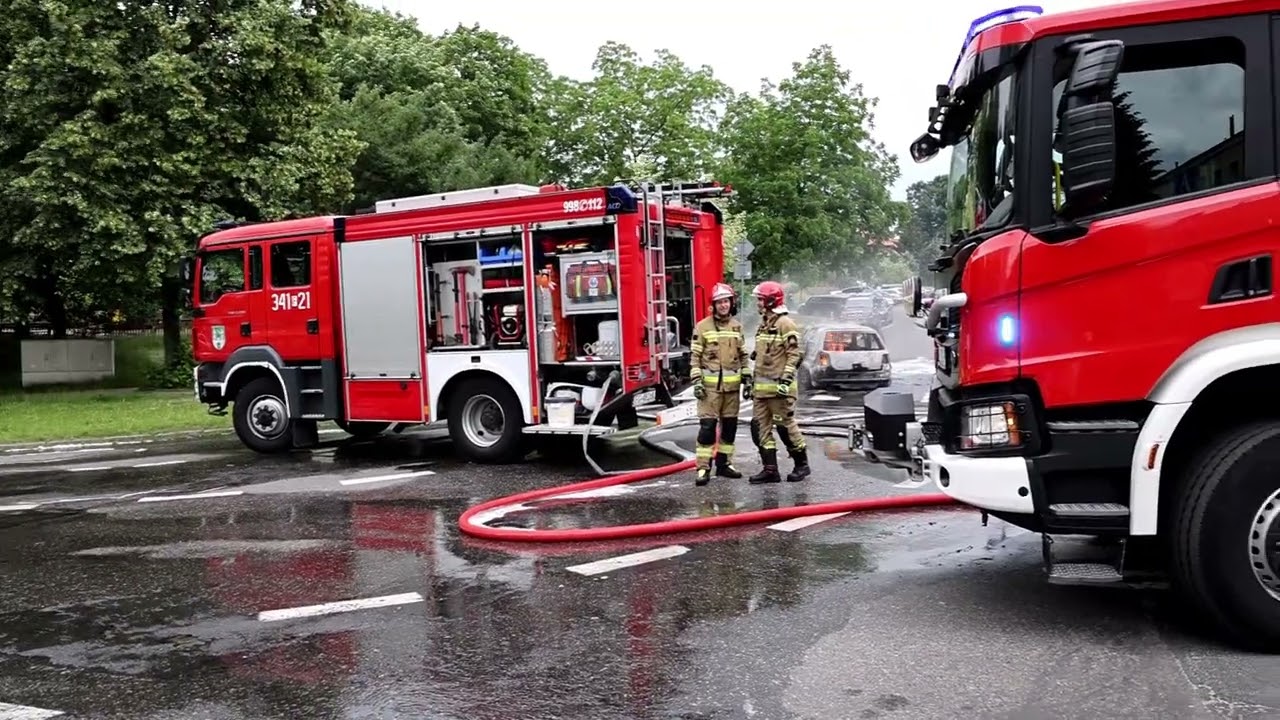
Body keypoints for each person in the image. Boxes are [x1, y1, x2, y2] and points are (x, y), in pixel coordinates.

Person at [743, 280, 810, 484]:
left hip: (781, 391)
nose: (758, 303)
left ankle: (802, 465)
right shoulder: (765, 324)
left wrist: (786, 379)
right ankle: (770, 470)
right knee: (760, 429)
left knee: (785, 428)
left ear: (771, 301)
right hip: (762, 392)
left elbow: (795, 354)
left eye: (761, 299)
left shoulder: (785, 323)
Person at [689, 282, 749, 486]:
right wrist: (697, 381)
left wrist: (747, 376)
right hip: (709, 391)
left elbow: (743, 355)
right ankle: (703, 468)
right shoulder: (703, 326)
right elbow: (695, 357)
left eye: (726, 301)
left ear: (731, 303)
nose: (723, 305)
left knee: (729, 428)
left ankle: (724, 465)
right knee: (707, 428)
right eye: (719, 302)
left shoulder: (736, 326)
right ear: (713, 305)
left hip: (731, 391)